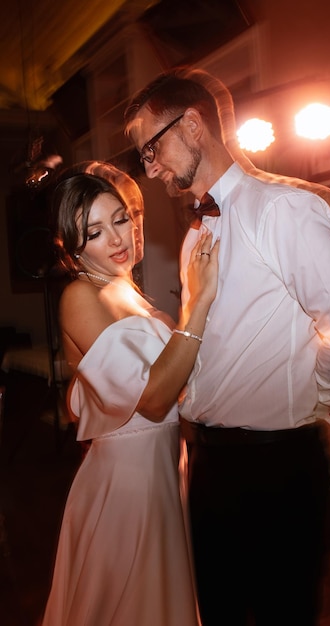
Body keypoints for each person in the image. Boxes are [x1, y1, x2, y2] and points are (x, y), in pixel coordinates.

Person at [124, 69, 330, 626]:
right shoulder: (197, 232)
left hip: (276, 469)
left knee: (279, 613)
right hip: (211, 463)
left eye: (152, 147)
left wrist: (319, 398)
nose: (150, 168)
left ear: (193, 126)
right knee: (217, 611)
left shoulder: (279, 210)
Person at [41, 163, 219, 626]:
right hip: (127, 483)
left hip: (163, 468)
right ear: (73, 247)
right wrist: (197, 303)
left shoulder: (129, 293)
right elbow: (155, 398)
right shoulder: (81, 295)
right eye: (95, 232)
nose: (117, 238)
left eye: (120, 219)